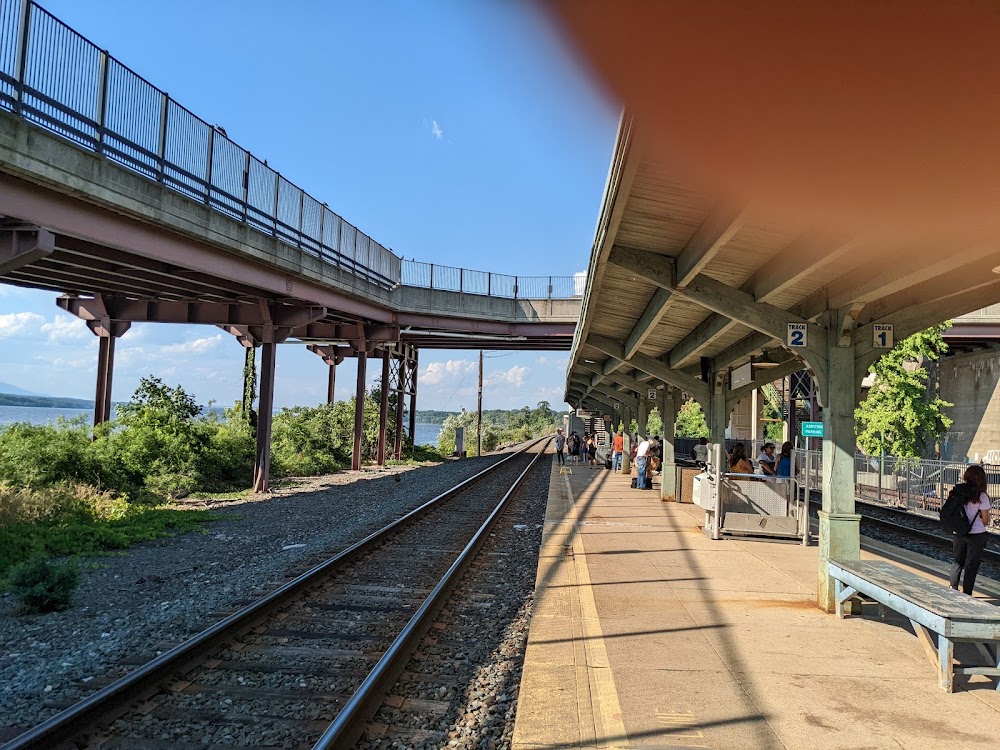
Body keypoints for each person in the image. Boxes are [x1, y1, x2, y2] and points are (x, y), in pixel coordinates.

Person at [950, 464, 992, 595]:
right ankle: (967, 593)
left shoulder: (957, 491)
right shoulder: (982, 496)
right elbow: (985, 520)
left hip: (958, 532)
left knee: (957, 562)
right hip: (976, 535)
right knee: (971, 565)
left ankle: (953, 588)